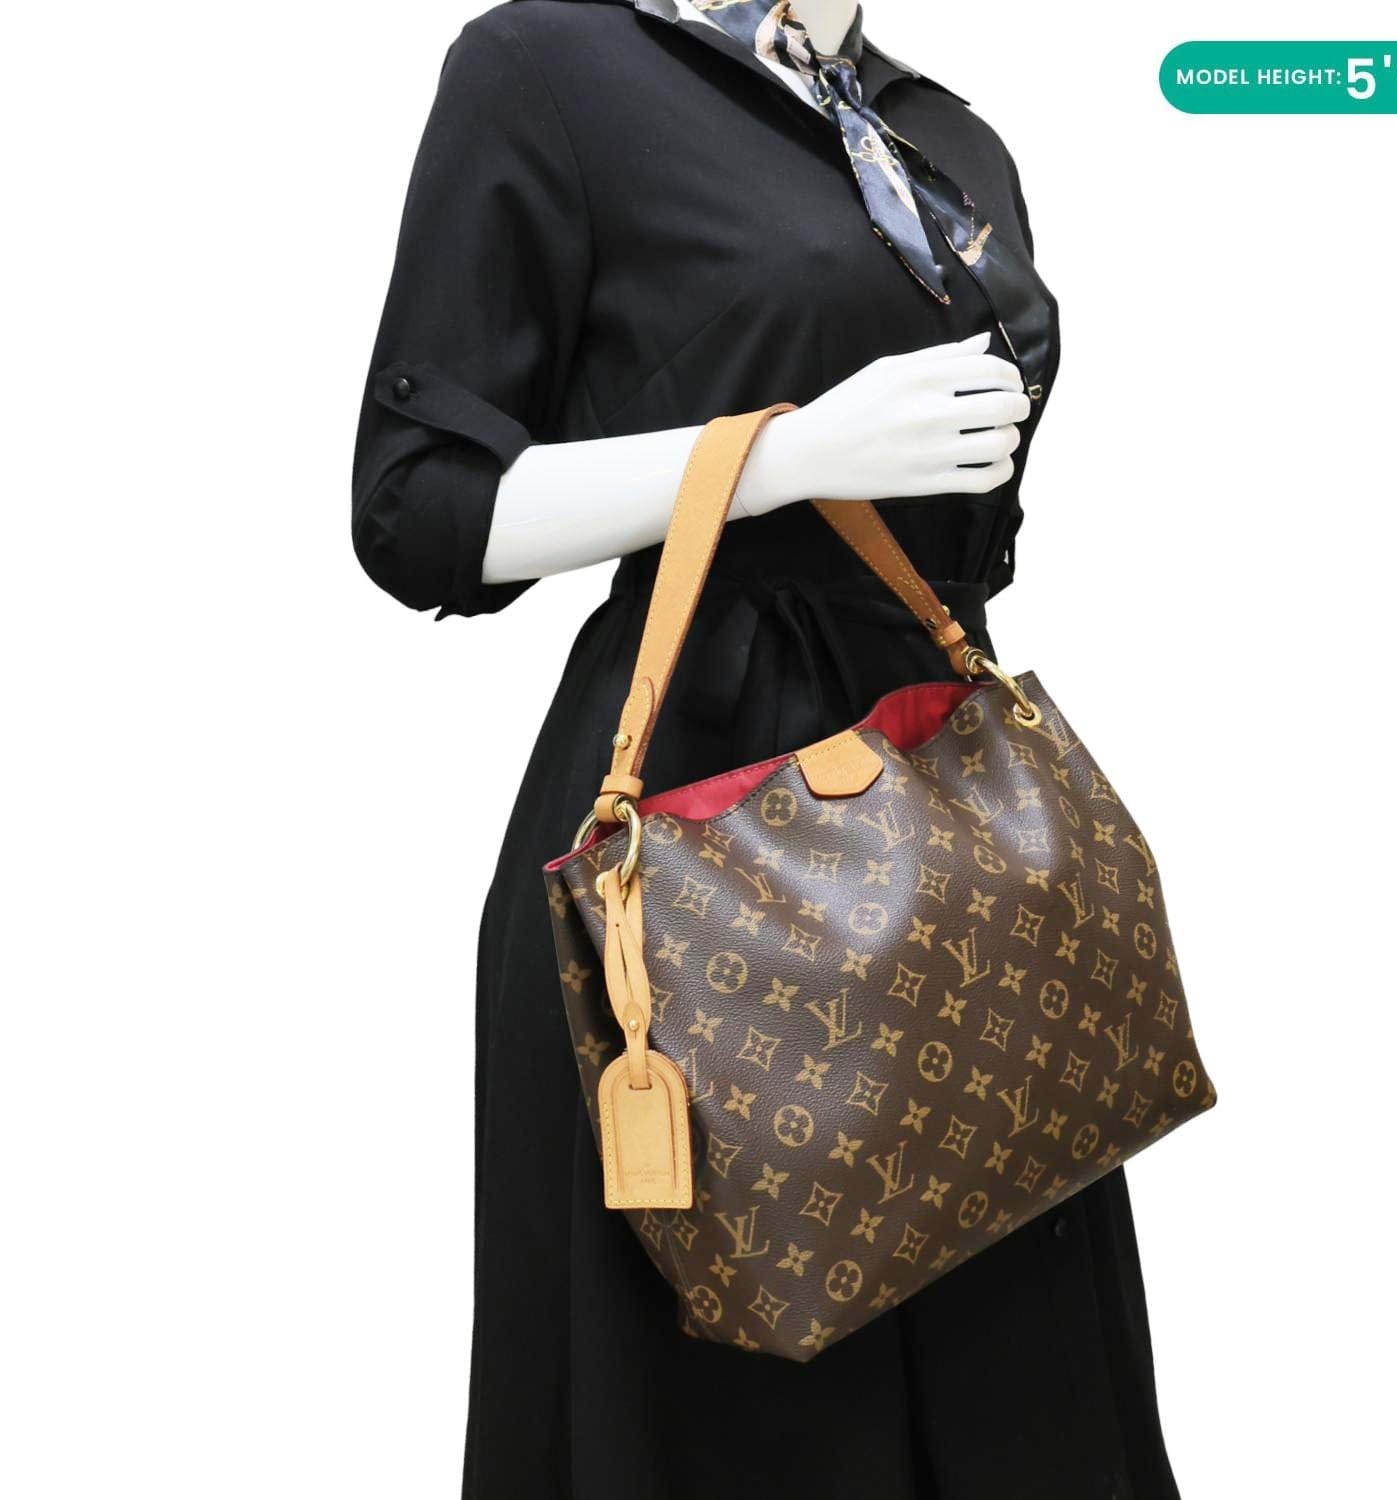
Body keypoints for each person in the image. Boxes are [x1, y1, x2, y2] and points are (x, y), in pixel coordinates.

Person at [352, 3, 1178, 1496]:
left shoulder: (942, 134)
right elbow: (419, 511)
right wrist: (781, 456)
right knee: (731, 1410)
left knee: (1023, 1364)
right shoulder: (555, 68)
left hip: (947, 826)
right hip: (698, 812)